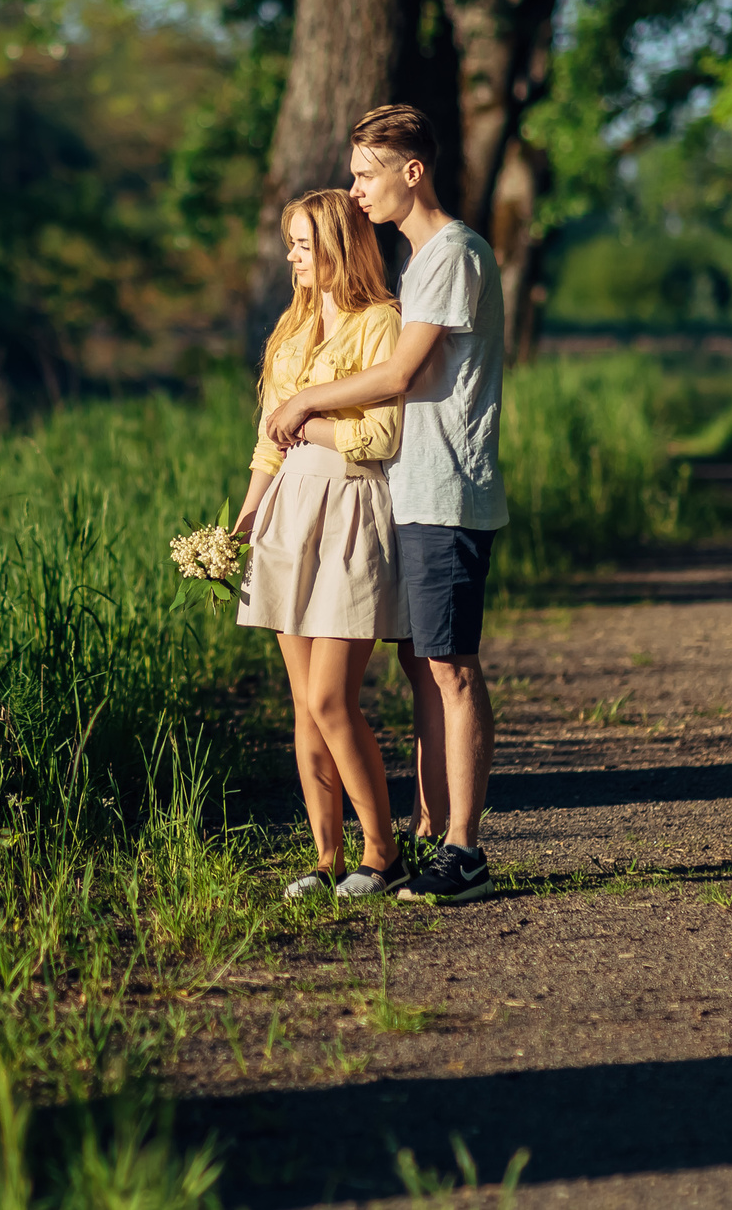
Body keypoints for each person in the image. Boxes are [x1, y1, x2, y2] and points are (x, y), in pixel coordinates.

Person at [269, 105, 506, 906]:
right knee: (425, 670)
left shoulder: (451, 255)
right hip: (409, 492)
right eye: (353, 173)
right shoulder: (422, 264)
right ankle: (426, 839)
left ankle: (461, 849)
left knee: (450, 668)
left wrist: (306, 402)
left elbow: (401, 377)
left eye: (367, 173)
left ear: (413, 171)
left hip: (443, 490)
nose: (355, 189)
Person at [235, 188, 411, 901]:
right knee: (303, 704)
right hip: (289, 514)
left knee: (333, 698)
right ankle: (327, 856)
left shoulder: (381, 325)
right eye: (291, 244)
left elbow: (382, 437)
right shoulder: (292, 328)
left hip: (349, 511)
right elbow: (266, 442)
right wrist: (246, 516)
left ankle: (384, 851)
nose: (292, 256)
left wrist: (306, 418)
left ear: (339, 245)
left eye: (304, 244)